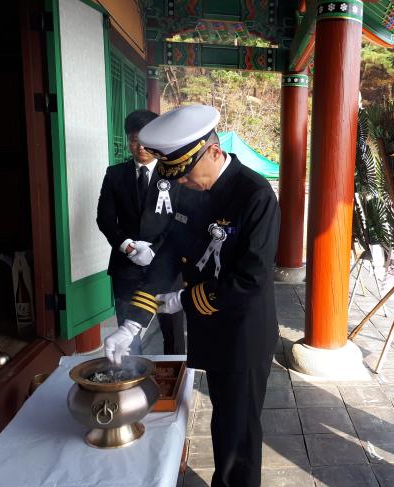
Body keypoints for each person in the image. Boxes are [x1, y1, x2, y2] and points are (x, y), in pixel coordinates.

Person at [104, 105, 280, 487]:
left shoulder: (255, 194)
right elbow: (168, 255)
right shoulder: (189, 190)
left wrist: (183, 301)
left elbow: (251, 278)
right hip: (212, 329)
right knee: (224, 421)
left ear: (214, 153)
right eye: (176, 177)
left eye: (185, 173)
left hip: (242, 333)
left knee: (239, 437)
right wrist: (134, 322)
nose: (181, 182)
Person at [96, 109, 185, 355]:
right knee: (126, 334)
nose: (140, 148)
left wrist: (154, 251)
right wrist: (127, 245)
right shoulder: (115, 174)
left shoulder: (175, 174)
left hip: (166, 266)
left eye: (146, 142)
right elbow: (104, 219)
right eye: (134, 141)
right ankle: (130, 380)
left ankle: (176, 385)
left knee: (174, 334)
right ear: (128, 140)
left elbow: (180, 220)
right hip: (126, 268)